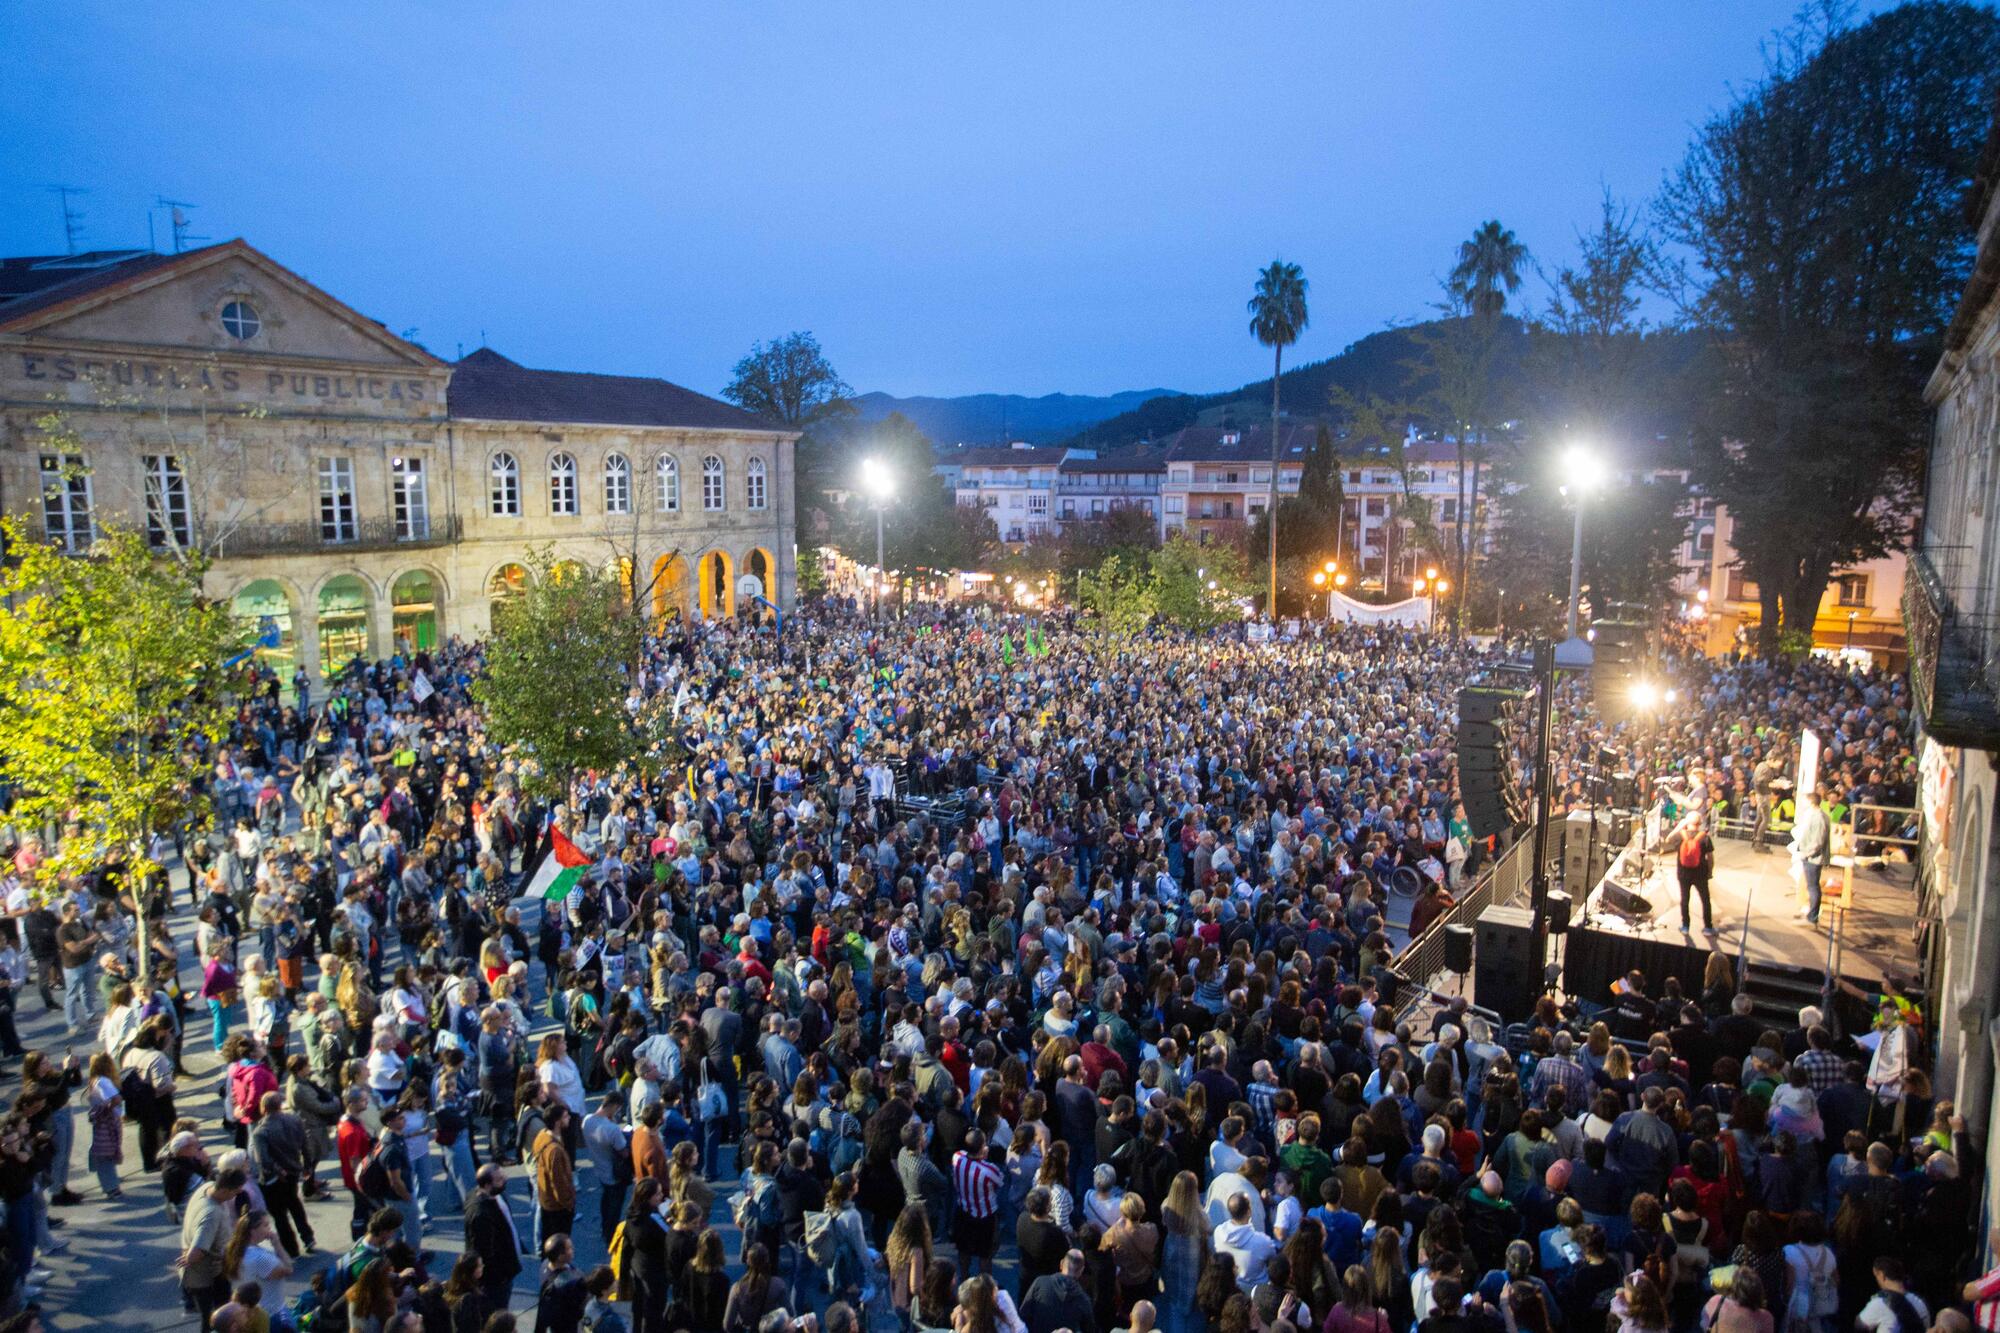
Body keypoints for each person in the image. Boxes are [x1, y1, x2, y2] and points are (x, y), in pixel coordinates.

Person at [463, 1163, 525, 1313]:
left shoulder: (495, 1195)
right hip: (496, 1281)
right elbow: (484, 1253)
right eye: (499, 1179)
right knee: (497, 1312)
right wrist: (502, 1276)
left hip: (505, 1269)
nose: (505, 1179)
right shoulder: (481, 1215)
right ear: (487, 1184)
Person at [1019, 1249, 1097, 1333]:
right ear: (1081, 1271)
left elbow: (1023, 1315)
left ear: (1061, 1263)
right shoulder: (1084, 1300)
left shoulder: (1040, 1283)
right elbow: (1090, 1329)